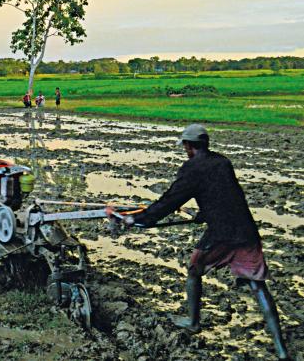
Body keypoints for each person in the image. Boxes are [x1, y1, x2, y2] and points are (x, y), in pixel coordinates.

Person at [118, 124, 289, 359]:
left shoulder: (192, 168)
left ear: (188, 146)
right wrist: (205, 213)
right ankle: (281, 351)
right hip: (246, 229)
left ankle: (193, 321)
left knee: (194, 270)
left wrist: (139, 219)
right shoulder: (222, 162)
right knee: (258, 285)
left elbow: (171, 200)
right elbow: (227, 195)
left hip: (221, 233)